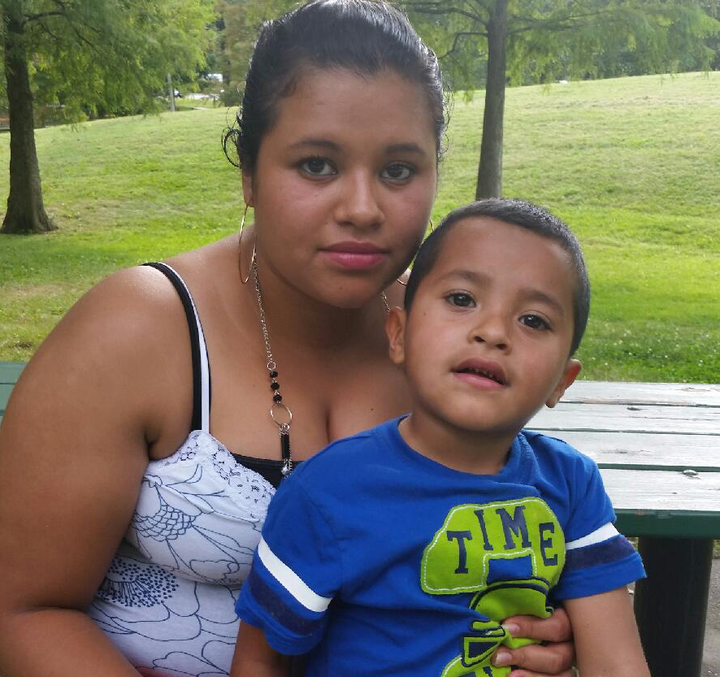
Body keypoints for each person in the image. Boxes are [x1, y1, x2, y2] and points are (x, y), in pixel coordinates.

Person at [0, 2, 574, 676]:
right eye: (317, 166)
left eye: (398, 171)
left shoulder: (461, 341)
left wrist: (547, 636)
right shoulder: (138, 328)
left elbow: (531, 536)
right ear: (249, 173)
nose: (362, 208)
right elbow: (24, 610)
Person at [231, 200, 649, 677]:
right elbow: (259, 661)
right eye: (461, 299)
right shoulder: (327, 493)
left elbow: (616, 660)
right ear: (399, 335)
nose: (492, 332)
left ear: (562, 381)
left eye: (533, 320)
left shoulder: (571, 485)